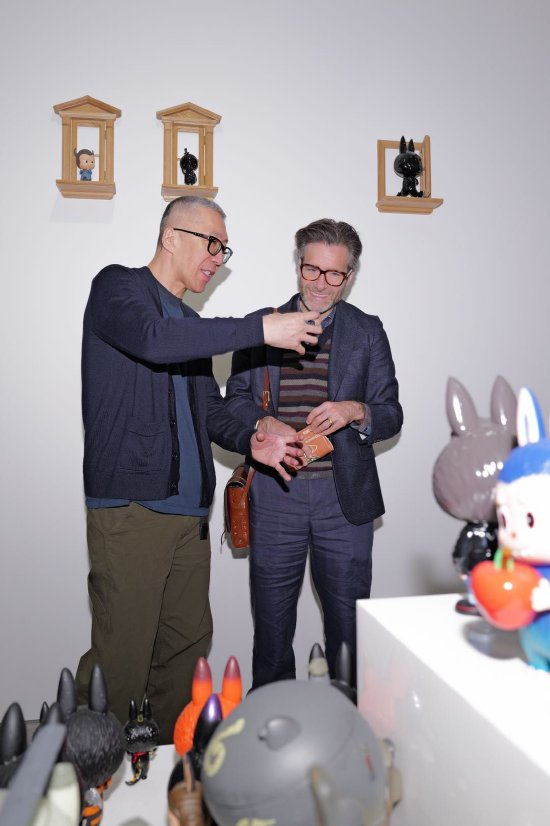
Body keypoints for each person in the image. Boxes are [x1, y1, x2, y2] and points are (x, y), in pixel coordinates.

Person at [75, 196, 322, 743]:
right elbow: (154, 342)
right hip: (133, 510)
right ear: (170, 237)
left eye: (223, 249)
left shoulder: (189, 323)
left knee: (185, 655)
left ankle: (169, 765)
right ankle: (92, 774)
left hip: (190, 517)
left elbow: (210, 410)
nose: (218, 258)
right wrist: (261, 328)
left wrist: (254, 439)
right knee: (122, 658)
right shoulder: (117, 288)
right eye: (211, 243)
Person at [225, 218, 403, 689]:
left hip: (344, 501)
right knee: (271, 630)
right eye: (312, 269)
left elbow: (391, 414)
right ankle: (272, 720)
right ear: (298, 264)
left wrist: (355, 410)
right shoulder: (262, 326)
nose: (321, 283)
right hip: (275, 495)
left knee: (349, 631)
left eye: (334, 273)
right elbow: (235, 401)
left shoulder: (367, 331)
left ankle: (348, 721)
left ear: (350, 275)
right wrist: (262, 422)